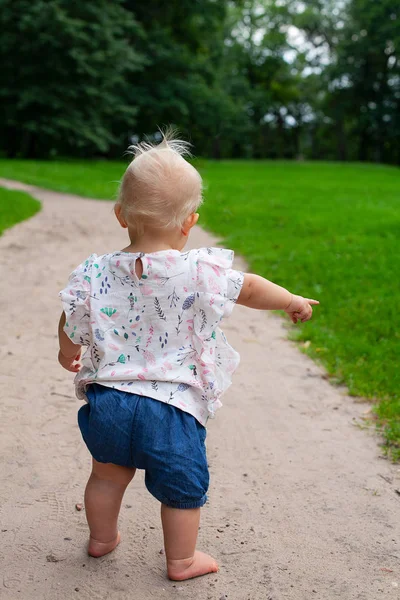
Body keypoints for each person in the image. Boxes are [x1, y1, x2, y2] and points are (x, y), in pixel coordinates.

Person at [58, 132, 319, 581]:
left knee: (106, 475)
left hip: (109, 404)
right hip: (173, 409)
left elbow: (68, 317)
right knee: (181, 490)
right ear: (189, 222)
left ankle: (102, 538)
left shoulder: (94, 272)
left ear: (121, 215)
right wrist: (291, 300)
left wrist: (68, 351)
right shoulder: (199, 271)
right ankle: (181, 560)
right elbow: (251, 287)